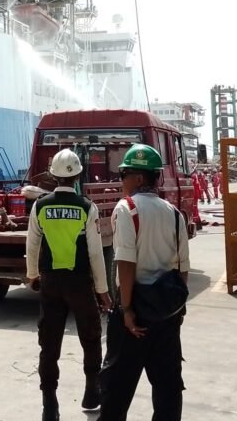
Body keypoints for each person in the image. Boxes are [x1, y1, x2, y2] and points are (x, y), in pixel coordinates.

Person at [99, 144, 190, 421]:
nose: (121, 180)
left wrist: (127, 310)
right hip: (166, 310)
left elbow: (125, 263)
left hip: (135, 311)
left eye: (124, 174)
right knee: (167, 385)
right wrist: (175, 309)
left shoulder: (127, 209)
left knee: (117, 386)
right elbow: (181, 268)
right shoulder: (174, 213)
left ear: (138, 178)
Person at [26, 149, 112, 420]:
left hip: (51, 282)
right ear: (77, 174)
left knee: (49, 344)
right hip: (79, 283)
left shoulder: (40, 205)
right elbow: (96, 252)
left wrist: (32, 275)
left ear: (52, 176)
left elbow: (32, 243)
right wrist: (103, 290)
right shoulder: (87, 207)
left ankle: (49, 405)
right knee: (90, 336)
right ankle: (91, 392)